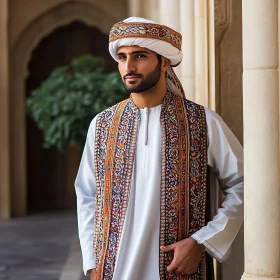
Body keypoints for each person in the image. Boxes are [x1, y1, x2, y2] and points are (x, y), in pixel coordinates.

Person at [75, 17, 244, 280]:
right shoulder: (102, 125)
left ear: (164, 62)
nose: (128, 66)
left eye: (139, 56)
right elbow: (87, 196)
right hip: (113, 271)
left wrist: (202, 242)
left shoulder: (201, 122)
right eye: (122, 57)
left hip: (178, 270)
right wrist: (92, 263)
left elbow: (243, 184)